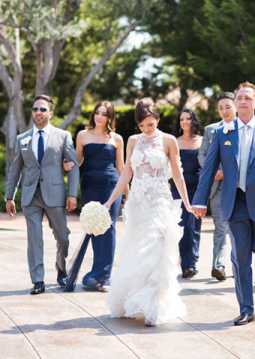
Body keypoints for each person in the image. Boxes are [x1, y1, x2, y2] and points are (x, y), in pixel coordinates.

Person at [193, 82, 255, 326]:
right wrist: (200, 200)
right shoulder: (222, 133)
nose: (242, 102)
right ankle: (247, 309)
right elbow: (208, 170)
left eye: (248, 98)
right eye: (239, 98)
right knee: (240, 258)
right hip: (234, 202)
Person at [103, 98, 192, 326]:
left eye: (150, 124)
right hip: (137, 205)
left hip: (159, 203)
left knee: (155, 253)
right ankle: (133, 301)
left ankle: (153, 307)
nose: (146, 129)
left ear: (158, 119)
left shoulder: (169, 140)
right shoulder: (133, 141)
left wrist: (187, 203)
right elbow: (126, 174)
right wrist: (110, 200)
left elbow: (178, 175)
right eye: (142, 126)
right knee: (136, 252)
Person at [5, 94, 80, 295]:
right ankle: (38, 280)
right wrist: (9, 196)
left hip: (55, 194)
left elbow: (73, 167)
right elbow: (15, 169)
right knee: (34, 238)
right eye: (35, 109)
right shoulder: (22, 138)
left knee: (63, 236)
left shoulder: (63, 136)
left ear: (51, 113)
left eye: (42, 109)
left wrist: (72, 194)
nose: (38, 112)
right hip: (30, 197)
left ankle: (61, 268)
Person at [64, 101, 128, 291]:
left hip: (111, 184)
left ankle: (104, 277)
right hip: (89, 185)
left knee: (109, 227)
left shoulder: (116, 139)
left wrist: (127, 193)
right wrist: (68, 165)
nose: (100, 117)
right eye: (97, 113)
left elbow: (121, 167)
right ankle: (96, 273)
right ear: (93, 115)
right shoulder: (83, 135)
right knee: (95, 228)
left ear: (110, 117)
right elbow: (78, 160)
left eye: (104, 114)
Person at [198, 92, 237, 282]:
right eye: (220, 108)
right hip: (217, 187)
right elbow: (202, 154)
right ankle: (218, 265)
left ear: (236, 106)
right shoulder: (211, 130)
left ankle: (242, 267)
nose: (224, 111)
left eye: (228, 107)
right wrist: (212, 170)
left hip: (240, 187)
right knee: (220, 227)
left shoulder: (246, 128)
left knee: (240, 228)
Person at [171, 109, 203, 278]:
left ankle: (192, 262)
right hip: (178, 189)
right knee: (183, 226)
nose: (185, 122)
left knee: (195, 226)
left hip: (198, 188)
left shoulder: (202, 141)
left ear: (193, 121)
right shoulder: (174, 142)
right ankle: (186, 263)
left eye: (188, 118)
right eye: (182, 119)